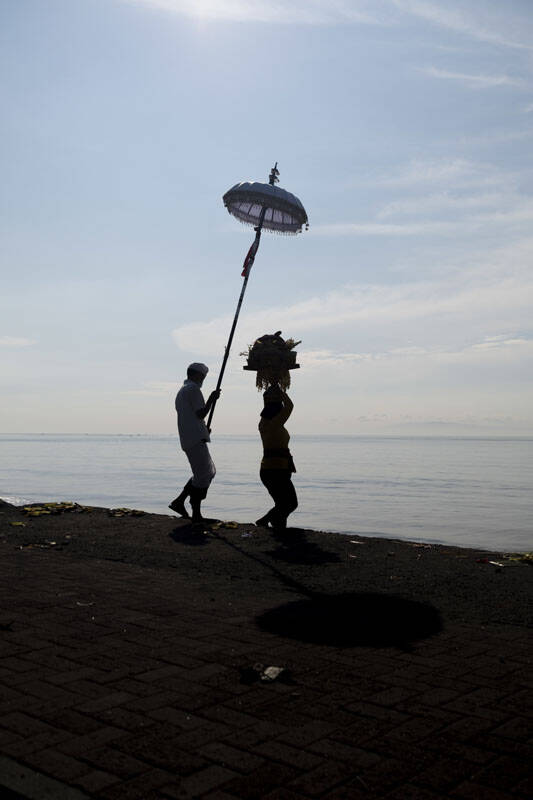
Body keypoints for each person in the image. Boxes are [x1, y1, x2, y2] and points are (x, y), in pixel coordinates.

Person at [169, 363, 220, 523]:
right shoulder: (193, 390)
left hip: (191, 437)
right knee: (204, 475)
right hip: (194, 439)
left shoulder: (183, 391)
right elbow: (200, 414)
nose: (203, 380)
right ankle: (195, 512)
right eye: (203, 377)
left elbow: (192, 418)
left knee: (206, 473)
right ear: (198, 375)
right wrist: (212, 399)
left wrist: (203, 430)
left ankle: (179, 501)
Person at [256, 384, 298, 530]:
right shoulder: (274, 423)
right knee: (290, 504)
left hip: (272, 470)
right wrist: (280, 392)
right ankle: (266, 520)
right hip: (275, 471)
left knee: (283, 504)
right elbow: (289, 406)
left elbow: (270, 405)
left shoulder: (264, 423)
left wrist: (272, 391)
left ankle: (276, 525)